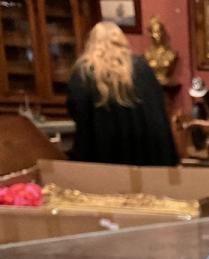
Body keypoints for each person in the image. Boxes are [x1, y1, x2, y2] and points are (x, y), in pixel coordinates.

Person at [67, 22, 178, 166]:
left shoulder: (84, 72)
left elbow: (77, 110)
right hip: (143, 152)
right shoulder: (141, 68)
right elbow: (157, 111)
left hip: (102, 153)